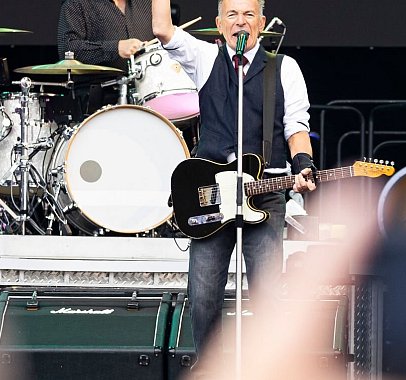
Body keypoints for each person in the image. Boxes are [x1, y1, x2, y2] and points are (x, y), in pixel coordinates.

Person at [151, 0, 318, 368]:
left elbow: (296, 127)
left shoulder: (284, 69)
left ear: (261, 22)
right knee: (205, 292)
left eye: (247, 15)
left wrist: (303, 164)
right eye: (232, 15)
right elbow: (162, 28)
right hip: (210, 195)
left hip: (265, 191)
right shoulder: (206, 59)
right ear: (218, 23)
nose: (240, 22)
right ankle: (210, 368)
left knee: (268, 294)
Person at [56, 0, 154, 117]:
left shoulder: (146, 3)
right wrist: (116, 47)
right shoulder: (76, 3)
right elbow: (68, 49)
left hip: (145, 95)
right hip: (95, 99)